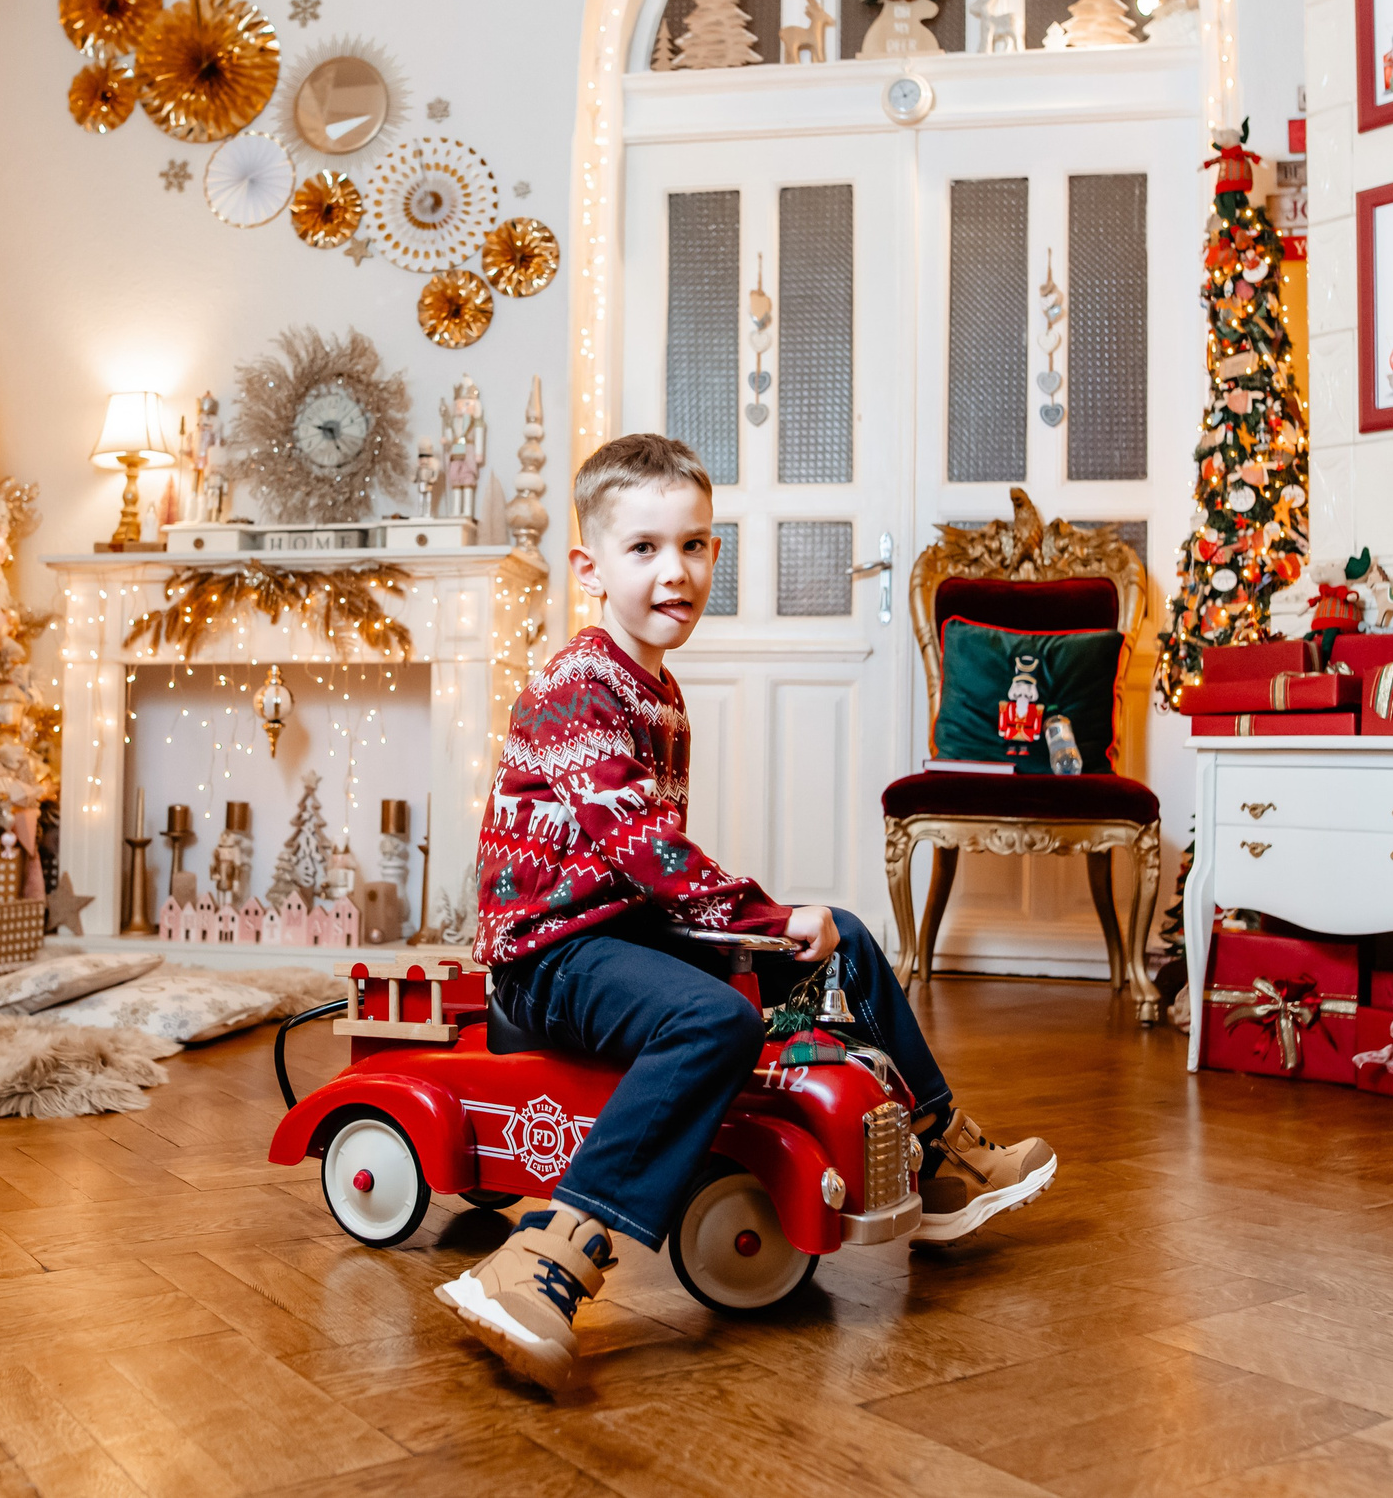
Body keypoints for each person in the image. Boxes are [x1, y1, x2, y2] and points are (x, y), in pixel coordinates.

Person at [434, 433, 1056, 1390]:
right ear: (588, 566)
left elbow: (650, 876)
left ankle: (936, 1155)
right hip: (550, 955)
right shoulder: (576, 684)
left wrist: (774, 931)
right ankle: (543, 1256)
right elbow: (643, 845)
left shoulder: (660, 690)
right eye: (643, 548)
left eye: (695, 545)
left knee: (841, 936)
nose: (674, 571)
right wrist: (762, 924)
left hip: (624, 934)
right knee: (714, 1015)